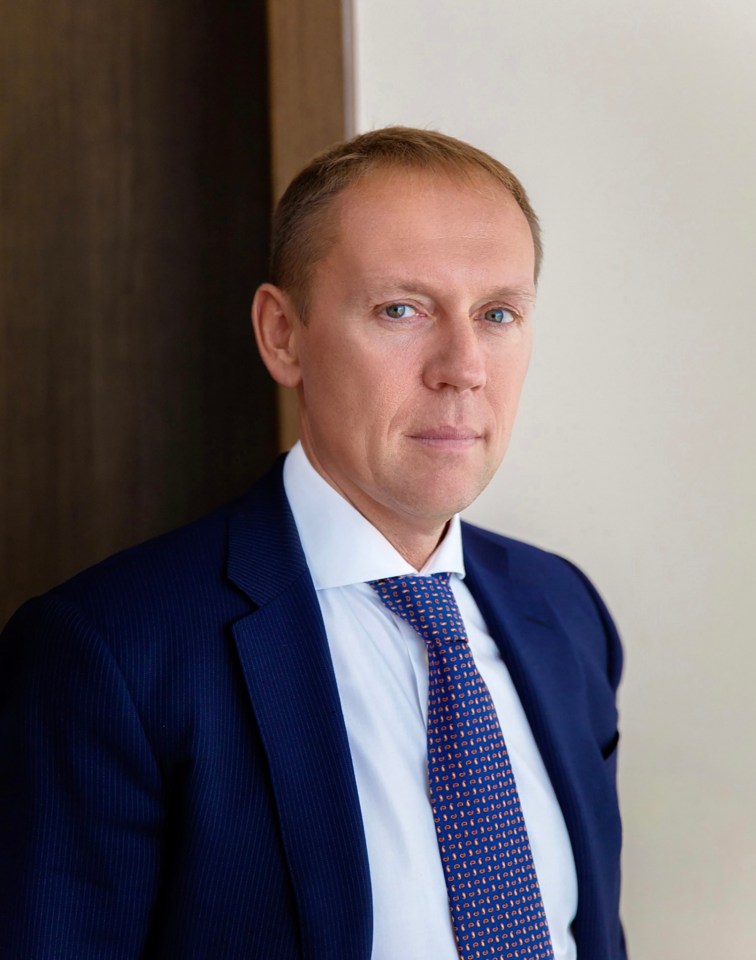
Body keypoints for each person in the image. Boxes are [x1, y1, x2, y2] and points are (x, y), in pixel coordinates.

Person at [0, 127, 625, 959]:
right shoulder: (110, 651)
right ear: (282, 335)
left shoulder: (566, 612)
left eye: (497, 314)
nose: (464, 366)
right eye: (402, 309)